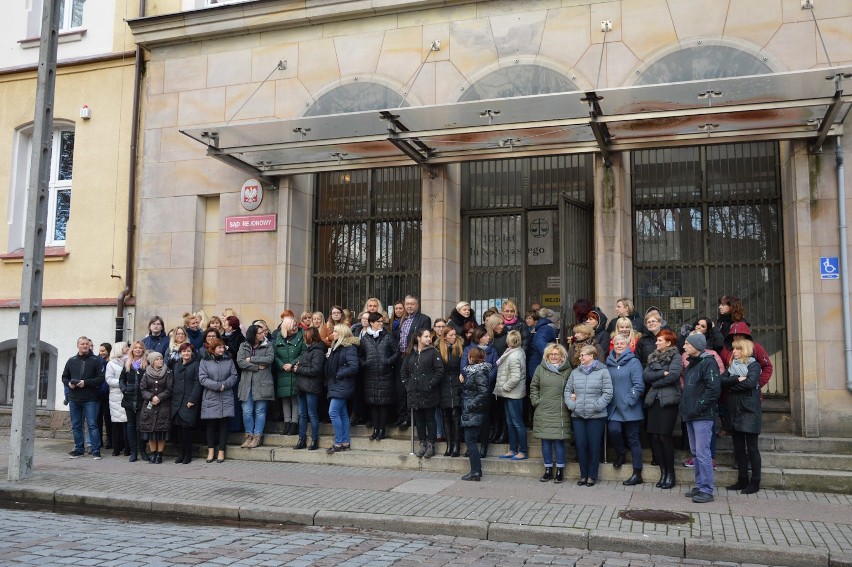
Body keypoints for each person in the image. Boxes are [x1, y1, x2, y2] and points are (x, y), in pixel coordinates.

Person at [681, 333, 722, 503]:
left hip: (702, 416)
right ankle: (699, 485)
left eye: (687, 344)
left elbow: (713, 390)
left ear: (696, 346)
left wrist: (698, 407)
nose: (684, 347)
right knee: (696, 453)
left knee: (704, 454)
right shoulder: (692, 364)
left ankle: (707, 489)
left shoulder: (709, 363)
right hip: (691, 415)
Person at [565, 344, 613, 487]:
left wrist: (596, 406)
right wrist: (572, 405)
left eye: (583, 355)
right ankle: (583, 475)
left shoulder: (603, 372)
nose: (580, 357)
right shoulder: (575, 373)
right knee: (580, 445)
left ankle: (592, 476)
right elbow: (567, 391)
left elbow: (608, 393)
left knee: (593, 445)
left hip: (596, 416)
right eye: (580, 355)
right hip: (578, 415)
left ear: (591, 356)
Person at [721, 337, 763, 495]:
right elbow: (721, 380)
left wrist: (732, 385)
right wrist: (736, 379)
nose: (734, 352)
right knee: (738, 447)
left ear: (745, 350)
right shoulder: (732, 366)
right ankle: (743, 478)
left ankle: (755, 481)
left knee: (752, 448)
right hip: (734, 410)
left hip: (749, 410)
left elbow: (750, 383)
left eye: (738, 349)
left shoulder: (754, 365)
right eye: (733, 349)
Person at [643, 329, 683, 489]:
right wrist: (662, 373)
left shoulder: (676, 356)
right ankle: (662, 472)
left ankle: (670, 474)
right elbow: (646, 375)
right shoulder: (652, 357)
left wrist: (656, 380)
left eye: (660, 340)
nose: (656, 342)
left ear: (669, 342)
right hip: (654, 401)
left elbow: (673, 376)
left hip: (668, 401)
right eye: (657, 340)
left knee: (664, 437)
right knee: (654, 437)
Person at [605, 334, 645, 485]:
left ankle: (637, 472)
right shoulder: (608, 363)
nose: (619, 345)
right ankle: (621, 453)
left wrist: (629, 400)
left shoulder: (634, 362)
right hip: (614, 408)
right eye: (617, 343)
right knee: (613, 430)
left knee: (633, 439)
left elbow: (639, 385)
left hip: (630, 407)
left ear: (628, 345)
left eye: (622, 343)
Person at [530, 343, 572, 483]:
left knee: (559, 441)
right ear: (547, 356)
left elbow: (572, 388)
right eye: (551, 354)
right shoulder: (540, 369)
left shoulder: (567, 370)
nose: (554, 356)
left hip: (560, 409)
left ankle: (560, 470)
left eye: (557, 354)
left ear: (562, 356)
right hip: (544, 409)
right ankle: (548, 469)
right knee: (545, 441)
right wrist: (536, 401)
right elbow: (534, 386)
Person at [401, 328, 444, 458]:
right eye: (426, 336)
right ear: (419, 338)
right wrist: (407, 384)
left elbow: (439, 371)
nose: (429, 339)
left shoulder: (433, 352)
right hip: (414, 392)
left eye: (429, 337)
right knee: (418, 420)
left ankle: (431, 444)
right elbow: (403, 371)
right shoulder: (411, 354)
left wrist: (430, 384)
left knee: (430, 419)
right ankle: (422, 443)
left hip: (428, 392)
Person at [359, 311, 399, 441]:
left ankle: (382, 430)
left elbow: (396, 352)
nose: (381, 323)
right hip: (370, 375)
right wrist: (365, 363)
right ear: (371, 323)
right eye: (378, 321)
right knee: (373, 404)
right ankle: (375, 429)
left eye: (382, 321)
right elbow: (360, 355)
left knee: (383, 404)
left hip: (385, 375)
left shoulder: (387, 337)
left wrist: (387, 362)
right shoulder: (365, 338)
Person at [62, 337, 105, 459]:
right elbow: (64, 377)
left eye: (87, 344)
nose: (85, 346)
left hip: (90, 398)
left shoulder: (96, 360)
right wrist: (69, 383)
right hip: (74, 398)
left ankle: (96, 450)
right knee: (76, 425)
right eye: (82, 344)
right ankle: (79, 449)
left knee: (92, 424)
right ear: (78, 346)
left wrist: (85, 383)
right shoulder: (71, 360)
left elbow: (101, 379)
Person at [393, 295, 432, 427]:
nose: (409, 306)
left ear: (417, 305)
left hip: (414, 356)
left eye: (412, 304)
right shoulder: (402, 319)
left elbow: (423, 339)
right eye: (407, 304)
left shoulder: (424, 319)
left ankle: (410, 419)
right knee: (400, 388)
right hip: (401, 357)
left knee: (411, 388)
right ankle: (401, 416)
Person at [199, 338, 239, 463]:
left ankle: (221, 451)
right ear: (213, 348)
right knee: (211, 425)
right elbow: (202, 378)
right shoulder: (204, 361)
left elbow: (234, 375)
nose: (222, 350)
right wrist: (217, 386)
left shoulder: (229, 359)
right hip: (211, 396)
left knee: (223, 424)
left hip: (225, 395)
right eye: (219, 347)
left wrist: (225, 385)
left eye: (223, 347)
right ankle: (211, 451)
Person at [237, 324, 275, 449]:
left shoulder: (268, 344)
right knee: (247, 411)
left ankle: (257, 436)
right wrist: (257, 366)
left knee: (260, 411)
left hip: (262, 384)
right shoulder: (244, 345)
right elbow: (241, 362)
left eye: (263, 332)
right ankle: (249, 436)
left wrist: (251, 359)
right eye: (259, 333)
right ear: (253, 334)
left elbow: (269, 359)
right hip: (247, 384)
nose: (263, 334)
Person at [325, 324, 360, 454]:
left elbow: (353, 367)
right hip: (336, 384)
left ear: (341, 333)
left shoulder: (349, 348)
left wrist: (338, 374)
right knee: (343, 414)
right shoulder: (336, 347)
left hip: (342, 384)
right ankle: (345, 442)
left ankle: (338, 442)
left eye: (335, 331)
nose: (332, 333)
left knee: (333, 412)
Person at [494, 330, 527, 460]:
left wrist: (504, 387)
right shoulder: (512, 352)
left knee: (517, 423)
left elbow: (515, 377)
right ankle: (513, 449)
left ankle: (522, 450)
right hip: (509, 394)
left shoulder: (514, 356)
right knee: (510, 422)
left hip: (513, 394)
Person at [460, 347, 490, 481]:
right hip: (470, 411)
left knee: (471, 442)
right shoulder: (473, 372)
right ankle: (476, 471)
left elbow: (483, 393)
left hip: (473, 412)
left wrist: (471, 406)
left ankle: (475, 471)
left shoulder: (479, 373)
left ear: (472, 358)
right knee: (470, 441)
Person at [293, 327, 326, 450]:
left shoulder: (317, 351)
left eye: (305, 336)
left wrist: (298, 369)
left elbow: (315, 370)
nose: (303, 338)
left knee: (312, 414)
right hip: (302, 386)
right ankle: (301, 439)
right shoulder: (308, 350)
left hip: (312, 387)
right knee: (302, 414)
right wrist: (298, 366)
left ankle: (314, 439)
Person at [139, 351, 174, 464]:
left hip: (163, 405)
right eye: (157, 359)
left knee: (161, 432)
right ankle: (153, 453)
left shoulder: (168, 372)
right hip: (150, 406)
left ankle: (159, 455)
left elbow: (169, 388)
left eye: (161, 358)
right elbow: (142, 389)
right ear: (152, 361)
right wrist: (150, 397)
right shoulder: (146, 373)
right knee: (151, 432)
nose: (160, 361)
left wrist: (159, 397)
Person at [170, 342, 202, 464]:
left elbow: (197, 384)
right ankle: (181, 454)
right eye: (184, 351)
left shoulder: (196, 365)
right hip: (176, 400)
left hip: (189, 401)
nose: (186, 353)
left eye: (188, 351)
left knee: (186, 428)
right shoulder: (176, 365)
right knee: (178, 428)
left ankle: (188, 455)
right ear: (180, 353)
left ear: (192, 352)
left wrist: (192, 399)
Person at [273, 314, 304, 436]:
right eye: (292, 326)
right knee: (285, 398)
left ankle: (294, 423)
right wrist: (282, 365)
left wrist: (291, 364)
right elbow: (274, 355)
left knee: (294, 398)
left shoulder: (302, 337)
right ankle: (287, 422)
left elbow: (303, 353)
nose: (295, 328)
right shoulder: (279, 338)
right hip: (283, 372)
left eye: (296, 325)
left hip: (294, 371)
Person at [119, 341, 148, 462]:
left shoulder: (146, 364)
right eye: (135, 348)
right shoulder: (127, 364)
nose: (137, 350)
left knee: (140, 427)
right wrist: (124, 389)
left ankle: (142, 450)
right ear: (132, 350)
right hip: (129, 399)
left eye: (140, 348)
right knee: (130, 426)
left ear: (143, 350)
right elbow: (121, 380)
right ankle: (133, 452)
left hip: (142, 399)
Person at [438, 326, 464, 457]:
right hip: (443, 385)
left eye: (455, 334)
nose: (454, 337)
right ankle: (449, 444)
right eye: (451, 335)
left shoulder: (459, 349)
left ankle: (456, 445)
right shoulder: (439, 350)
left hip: (456, 383)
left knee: (455, 415)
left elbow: (463, 366)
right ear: (445, 337)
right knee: (445, 416)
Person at [104, 342, 129, 457]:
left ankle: (127, 447)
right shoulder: (111, 363)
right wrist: (122, 383)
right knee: (117, 422)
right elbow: (109, 379)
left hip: (127, 393)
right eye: (125, 347)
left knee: (127, 422)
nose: (128, 348)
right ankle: (117, 447)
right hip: (116, 395)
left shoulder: (130, 361)